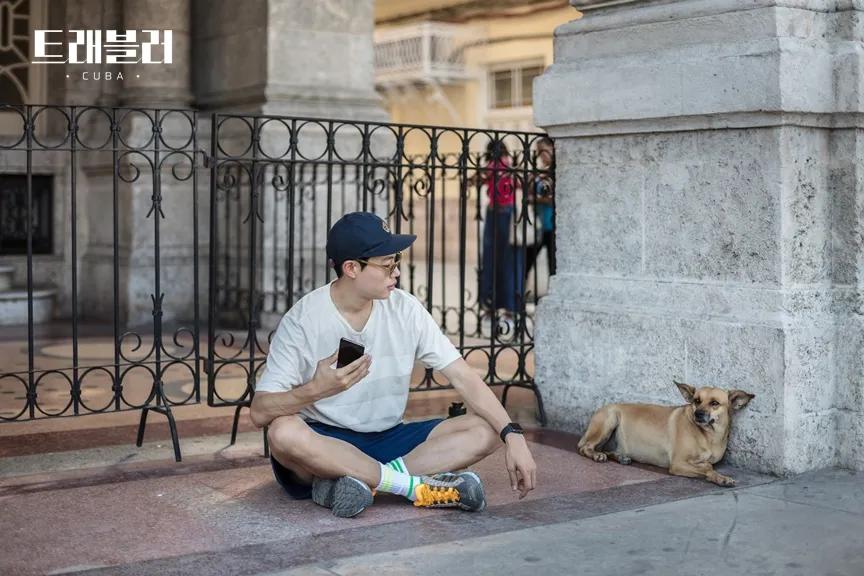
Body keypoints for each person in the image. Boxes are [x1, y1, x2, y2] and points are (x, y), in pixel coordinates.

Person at [250, 211, 538, 518]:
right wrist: (315, 390)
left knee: (489, 429)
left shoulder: (406, 309)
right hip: (326, 439)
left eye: (396, 263)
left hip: (389, 437)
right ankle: (412, 487)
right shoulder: (303, 320)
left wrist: (513, 435)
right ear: (351, 268)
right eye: (387, 265)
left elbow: (463, 375)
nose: (396, 273)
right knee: (283, 433)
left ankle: (352, 482)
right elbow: (260, 412)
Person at [479, 140, 522, 326]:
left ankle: (490, 308)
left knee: (491, 261)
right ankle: (510, 311)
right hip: (508, 212)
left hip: (495, 213)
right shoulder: (511, 165)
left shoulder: (492, 166)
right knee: (508, 262)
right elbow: (521, 184)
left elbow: (475, 179)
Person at [525, 137, 556, 279]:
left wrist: (535, 199)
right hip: (539, 225)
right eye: (538, 152)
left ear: (552, 149)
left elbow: (555, 199)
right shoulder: (541, 172)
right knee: (527, 262)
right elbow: (529, 190)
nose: (540, 155)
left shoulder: (556, 172)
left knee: (553, 266)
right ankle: (519, 295)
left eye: (543, 151)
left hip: (553, 227)